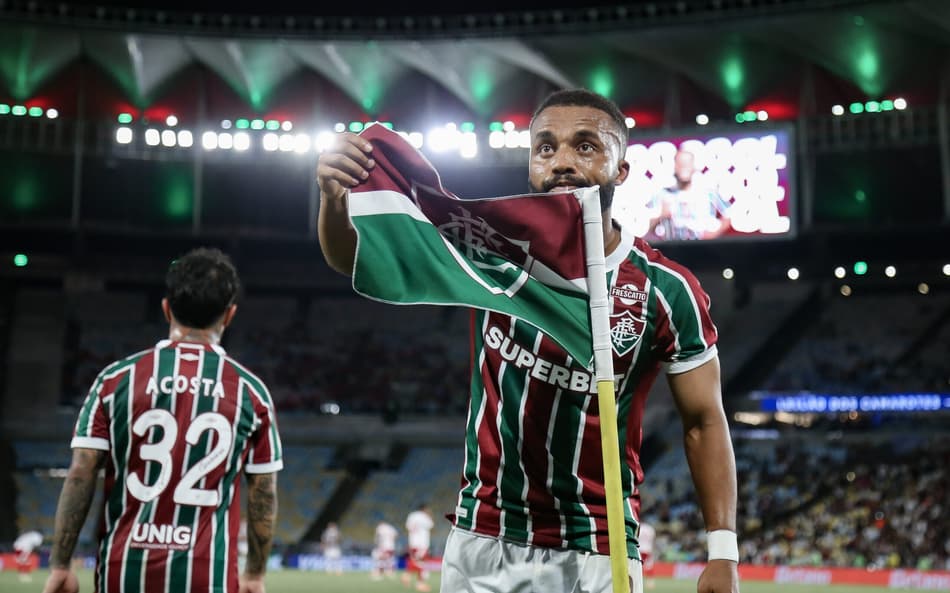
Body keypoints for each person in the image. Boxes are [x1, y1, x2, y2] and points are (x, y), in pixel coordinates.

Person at [317, 89, 739, 593]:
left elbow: (704, 419)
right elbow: (352, 259)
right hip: (484, 537)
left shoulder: (666, 290)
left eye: (585, 146)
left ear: (621, 170)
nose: (561, 161)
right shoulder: (487, 252)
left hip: (598, 546)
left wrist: (723, 551)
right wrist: (333, 198)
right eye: (545, 147)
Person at [42, 248, 283, 593]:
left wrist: (61, 564)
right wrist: (255, 574)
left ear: (166, 308)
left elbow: (81, 471)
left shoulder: (115, 380)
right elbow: (264, 490)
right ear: (229, 315)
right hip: (207, 574)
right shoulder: (250, 392)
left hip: (123, 570)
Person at [647, 148, 732, 241]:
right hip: (673, 248)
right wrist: (662, 215)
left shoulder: (708, 192)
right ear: (675, 166)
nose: (684, 167)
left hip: (703, 248)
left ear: (693, 166)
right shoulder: (663, 194)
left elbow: (728, 215)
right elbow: (648, 228)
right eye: (680, 164)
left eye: (687, 163)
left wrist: (713, 235)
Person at [402, 504, 434, 592]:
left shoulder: (412, 515)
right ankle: (419, 583)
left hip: (413, 542)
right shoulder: (425, 516)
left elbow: (408, 527)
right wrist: (429, 515)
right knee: (421, 562)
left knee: (415, 561)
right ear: (424, 509)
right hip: (422, 543)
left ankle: (408, 576)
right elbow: (431, 526)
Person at [637, 521, 657, 589]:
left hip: (639, 549)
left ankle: (637, 582)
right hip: (648, 549)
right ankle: (650, 584)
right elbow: (653, 540)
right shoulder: (651, 529)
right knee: (649, 566)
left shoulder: (639, 527)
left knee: (638, 566)